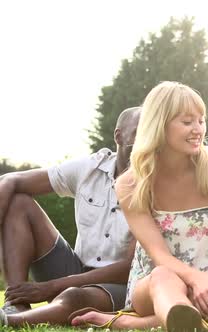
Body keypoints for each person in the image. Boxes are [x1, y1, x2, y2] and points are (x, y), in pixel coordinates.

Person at [72, 81, 208, 331]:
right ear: (159, 124)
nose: (198, 129)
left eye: (201, 120)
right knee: (163, 277)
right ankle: (180, 316)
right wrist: (196, 279)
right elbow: (159, 255)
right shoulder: (130, 184)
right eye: (187, 122)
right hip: (157, 284)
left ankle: (152, 322)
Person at [0, 107, 141, 326]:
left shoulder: (155, 186)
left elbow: (131, 266)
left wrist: (53, 286)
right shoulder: (90, 168)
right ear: (119, 136)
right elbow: (11, 180)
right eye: (138, 134)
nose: (146, 143)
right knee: (18, 202)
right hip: (74, 269)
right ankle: (16, 303)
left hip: (121, 284)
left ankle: (9, 321)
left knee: (75, 297)